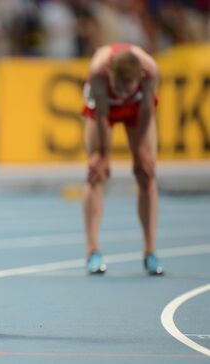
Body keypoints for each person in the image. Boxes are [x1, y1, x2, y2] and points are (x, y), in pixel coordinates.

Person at [82, 43, 163, 275]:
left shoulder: (150, 71)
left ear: (141, 76)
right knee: (96, 171)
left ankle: (150, 251)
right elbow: (102, 114)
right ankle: (93, 250)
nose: (123, 95)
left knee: (146, 172)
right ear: (110, 75)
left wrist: (139, 153)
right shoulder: (98, 70)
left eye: (128, 89)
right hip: (103, 108)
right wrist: (104, 155)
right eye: (119, 88)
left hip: (138, 109)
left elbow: (147, 108)